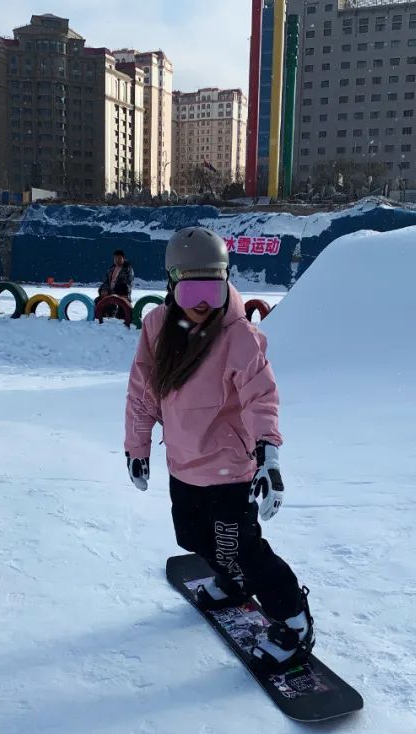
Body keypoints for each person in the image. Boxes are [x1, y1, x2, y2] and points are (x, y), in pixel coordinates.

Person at [124, 226, 313, 672]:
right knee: (190, 538)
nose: (204, 302)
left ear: (226, 279)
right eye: (192, 291)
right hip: (183, 463)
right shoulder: (157, 327)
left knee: (241, 547)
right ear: (172, 285)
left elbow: (260, 397)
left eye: (213, 286)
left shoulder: (239, 335)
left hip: (230, 469)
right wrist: (137, 445)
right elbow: (143, 392)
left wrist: (268, 453)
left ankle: (294, 619)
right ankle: (230, 582)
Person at [98, 249, 134, 318]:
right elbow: (105, 281)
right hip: (109, 293)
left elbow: (128, 283)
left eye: (119, 258)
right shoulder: (111, 269)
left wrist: (116, 292)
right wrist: (104, 290)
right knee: (98, 300)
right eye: (115, 258)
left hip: (122, 294)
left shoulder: (128, 269)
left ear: (123, 258)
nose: (117, 260)